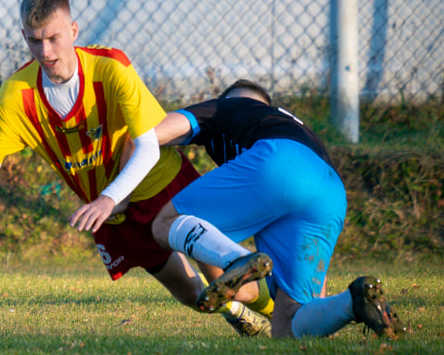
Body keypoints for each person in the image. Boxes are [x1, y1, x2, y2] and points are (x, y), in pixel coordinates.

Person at [0, 0, 273, 336]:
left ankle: (287, 313)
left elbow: (147, 146)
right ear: (24, 36)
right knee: (193, 295)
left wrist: (108, 196)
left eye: (54, 38)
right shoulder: (16, 96)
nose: (46, 51)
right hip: (114, 214)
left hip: (163, 185)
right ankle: (238, 311)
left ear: (74, 30)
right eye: (35, 41)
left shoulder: (111, 67)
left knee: (235, 283)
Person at [148, 78, 405, 339]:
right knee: (287, 324)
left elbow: (149, 135)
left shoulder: (222, 109)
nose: (245, 106)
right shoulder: (286, 122)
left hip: (278, 164)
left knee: (165, 223)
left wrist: (116, 189)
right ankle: (354, 301)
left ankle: (235, 259)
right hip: (330, 190)